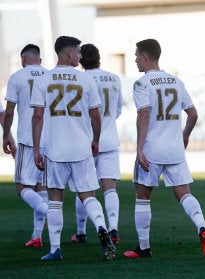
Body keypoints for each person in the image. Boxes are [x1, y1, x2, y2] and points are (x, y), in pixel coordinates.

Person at [123, 39, 205, 259]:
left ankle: (144, 248)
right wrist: (184, 136)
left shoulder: (141, 83)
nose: (135, 59)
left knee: (143, 197)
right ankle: (202, 228)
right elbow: (193, 114)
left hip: (152, 149)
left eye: (136, 55)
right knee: (184, 194)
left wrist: (139, 149)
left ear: (145, 57)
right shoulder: (176, 81)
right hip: (174, 148)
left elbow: (144, 114)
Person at [31, 36, 116, 261]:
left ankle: (55, 249)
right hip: (81, 147)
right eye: (77, 52)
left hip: (55, 148)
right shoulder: (86, 80)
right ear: (68, 53)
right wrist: (96, 140)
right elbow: (96, 116)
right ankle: (100, 226)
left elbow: (37, 115)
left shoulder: (43, 79)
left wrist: (36, 149)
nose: (80, 56)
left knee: (55, 199)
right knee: (88, 194)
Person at [71, 44, 123, 244]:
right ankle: (113, 228)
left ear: (81, 59)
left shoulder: (82, 79)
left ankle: (82, 231)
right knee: (110, 188)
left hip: (86, 141)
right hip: (110, 139)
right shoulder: (114, 78)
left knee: (83, 187)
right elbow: (117, 111)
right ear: (99, 58)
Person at [2, 44, 48, 248]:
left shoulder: (17, 77)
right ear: (39, 58)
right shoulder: (50, 76)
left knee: (22, 187)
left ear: (23, 59)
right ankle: (37, 236)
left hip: (29, 140)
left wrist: (5, 136)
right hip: (49, 140)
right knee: (42, 187)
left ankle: (50, 214)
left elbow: (9, 111)